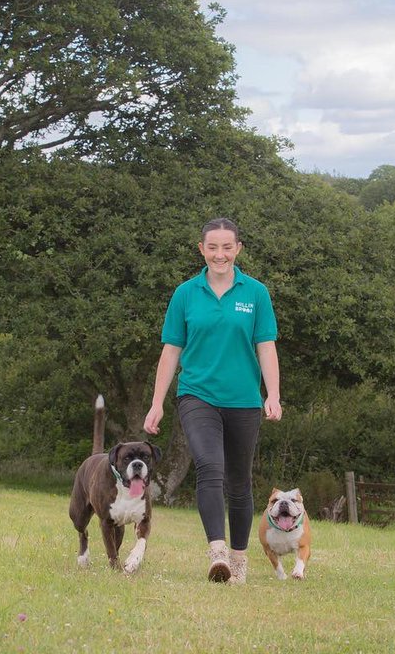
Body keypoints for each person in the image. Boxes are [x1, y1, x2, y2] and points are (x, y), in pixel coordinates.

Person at [143, 217, 281, 584]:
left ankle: (238, 558)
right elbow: (171, 351)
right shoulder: (185, 294)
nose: (219, 254)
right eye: (212, 247)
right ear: (201, 249)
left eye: (227, 247)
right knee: (209, 465)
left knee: (239, 482)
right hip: (197, 395)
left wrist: (274, 394)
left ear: (238, 249)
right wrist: (157, 403)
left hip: (244, 400)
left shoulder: (256, 294)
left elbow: (265, 347)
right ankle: (217, 551)